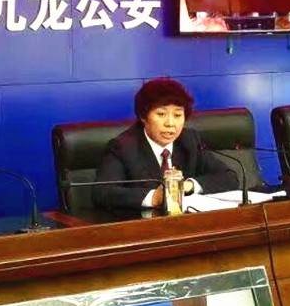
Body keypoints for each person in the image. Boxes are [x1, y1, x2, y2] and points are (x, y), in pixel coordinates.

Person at [92, 78, 238, 210]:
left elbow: (229, 177)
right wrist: (154, 197)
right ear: (143, 116)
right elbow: (103, 192)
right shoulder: (123, 147)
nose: (170, 123)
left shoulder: (190, 141)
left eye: (177, 115)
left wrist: (188, 185)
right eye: (161, 114)